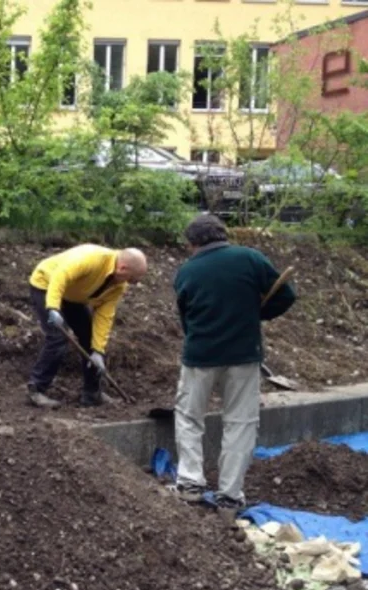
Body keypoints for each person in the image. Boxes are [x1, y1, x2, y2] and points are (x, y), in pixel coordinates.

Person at [171, 214, 296, 522]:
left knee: (189, 417)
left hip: (200, 355)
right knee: (240, 422)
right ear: (222, 234)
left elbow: (186, 316)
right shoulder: (250, 259)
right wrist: (259, 313)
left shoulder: (187, 271)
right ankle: (229, 495)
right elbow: (286, 295)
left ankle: (190, 484)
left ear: (193, 243)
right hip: (243, 354)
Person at [27, 244, 148, 408]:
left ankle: (92, 393)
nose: (131, 284)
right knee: (57, 338)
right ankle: (36, 390)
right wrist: (53, 307)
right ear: (123, 268)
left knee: (90, 339)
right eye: (131, 279)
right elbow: (61, 276)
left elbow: (104, 316)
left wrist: (98, 350)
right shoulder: (92, 259)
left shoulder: (118, 285)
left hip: (73, 295)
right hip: (47, 285)